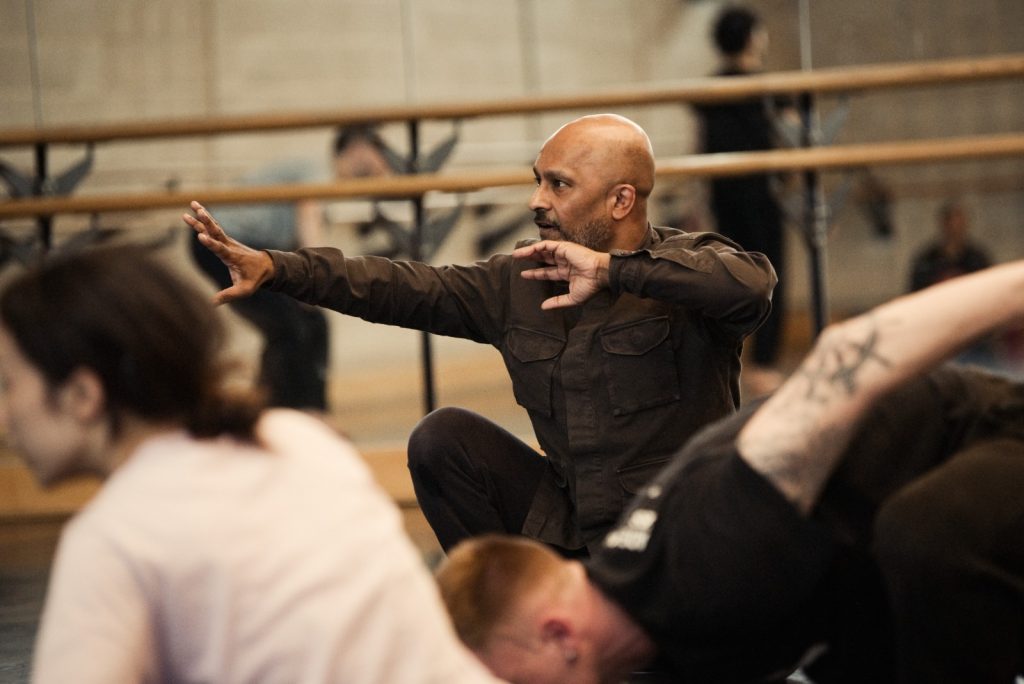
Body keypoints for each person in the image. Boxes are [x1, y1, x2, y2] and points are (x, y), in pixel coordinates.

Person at [183, 113, 778, 556]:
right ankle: (519, 619)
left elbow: (750, 287)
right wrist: (280, 268)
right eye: (538, 181)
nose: (536, 201)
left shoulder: (687, 264)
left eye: (559, 186)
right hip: (576, 529)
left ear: (622, 199)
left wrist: (611, 271)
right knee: (442, 439)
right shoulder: (521, 280)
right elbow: (402, 286)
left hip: (679, 535)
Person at [435, 256, 1024, 684]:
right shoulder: (656, 621)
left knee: (922, 534)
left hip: (994, 438)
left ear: (559, 635)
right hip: (876, 550)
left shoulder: (706, 543)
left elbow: (852, 350)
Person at [0, 245, 502, 684]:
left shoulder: (114, 540)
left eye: (8, 384)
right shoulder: (300, 439)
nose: (4, 416)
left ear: (83, 394)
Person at [190, 124, 393, 411]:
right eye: (378, 154)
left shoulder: (320, 176)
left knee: (303, 324)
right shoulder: (318, 170)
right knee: (292, 326)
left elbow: (298, 241)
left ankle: (286, 411)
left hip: (240, 247)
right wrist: (323, 280)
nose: (382, 164)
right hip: (222, 242)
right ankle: (291, 413)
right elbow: (308, 221)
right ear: (357, 148)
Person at [696, 4, 792, 396]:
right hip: (762, 196)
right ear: (753, 37)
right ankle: (764, 363)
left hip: (725, 194)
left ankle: (729, 359)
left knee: (729, 277)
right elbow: (795, 141)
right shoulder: (768, 90)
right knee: (769, 275)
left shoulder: (709, 91)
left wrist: (698, 198)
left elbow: (699, 146)